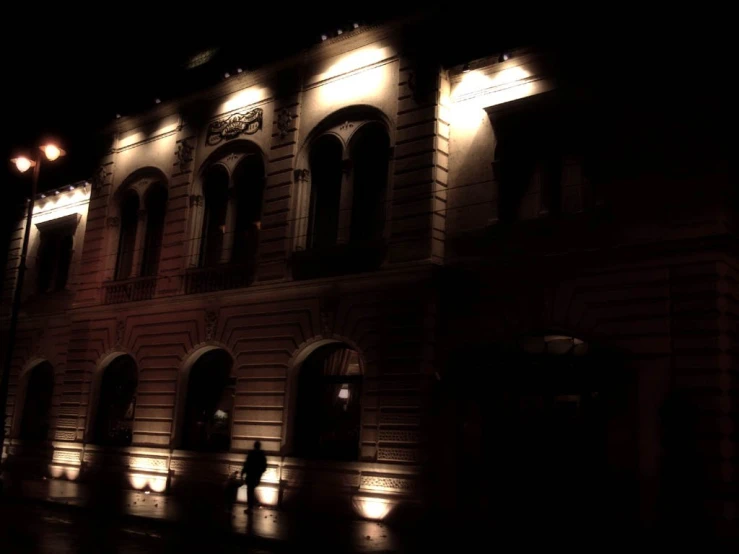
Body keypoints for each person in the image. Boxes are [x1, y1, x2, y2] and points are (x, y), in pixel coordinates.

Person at [241, 440, 267, 512]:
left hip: (250, 475)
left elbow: (246, 464)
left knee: (250, 491)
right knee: (251, 490)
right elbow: (264, 466)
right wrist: (259, 473)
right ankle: (252, 505)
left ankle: (250, 506)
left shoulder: (251, 454)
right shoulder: (262, 455)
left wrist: (243, 472)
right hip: (256, 475)